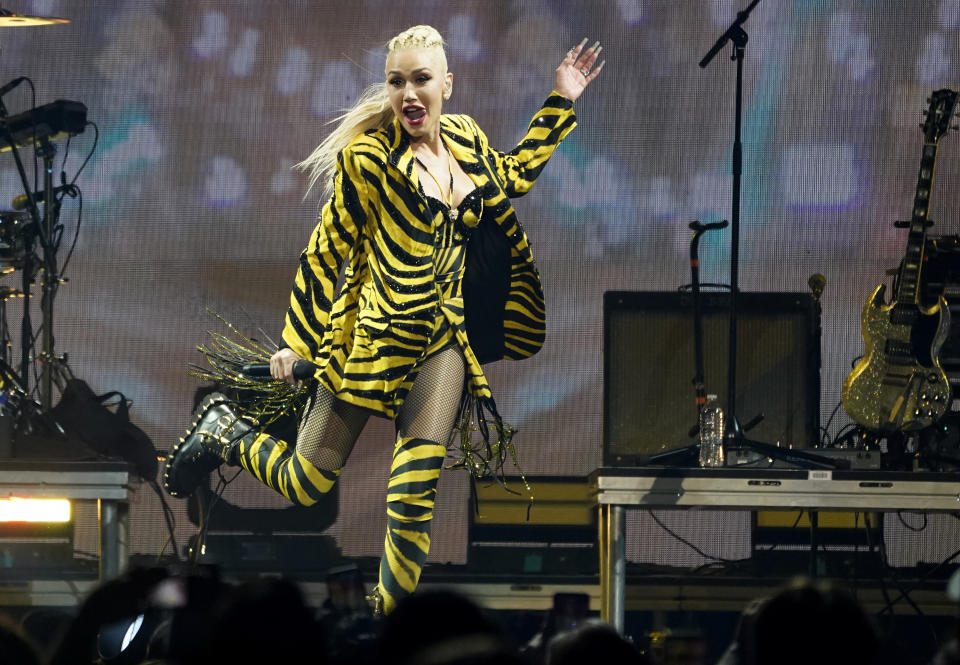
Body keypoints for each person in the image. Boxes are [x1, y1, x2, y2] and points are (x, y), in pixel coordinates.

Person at [163, 24, 603, 614]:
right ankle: (224, 431)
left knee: (415, 494)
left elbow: (514, 175)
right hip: (371, 339)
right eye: (397, 82)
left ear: (448, 83)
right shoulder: (367, 160)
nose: (409, 93)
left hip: (442, 343)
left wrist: (561, 98)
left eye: (421, 79)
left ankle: (386, 625)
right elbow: (326, 251)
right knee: (308, 481)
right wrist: (296, 344)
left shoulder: (467, 140)